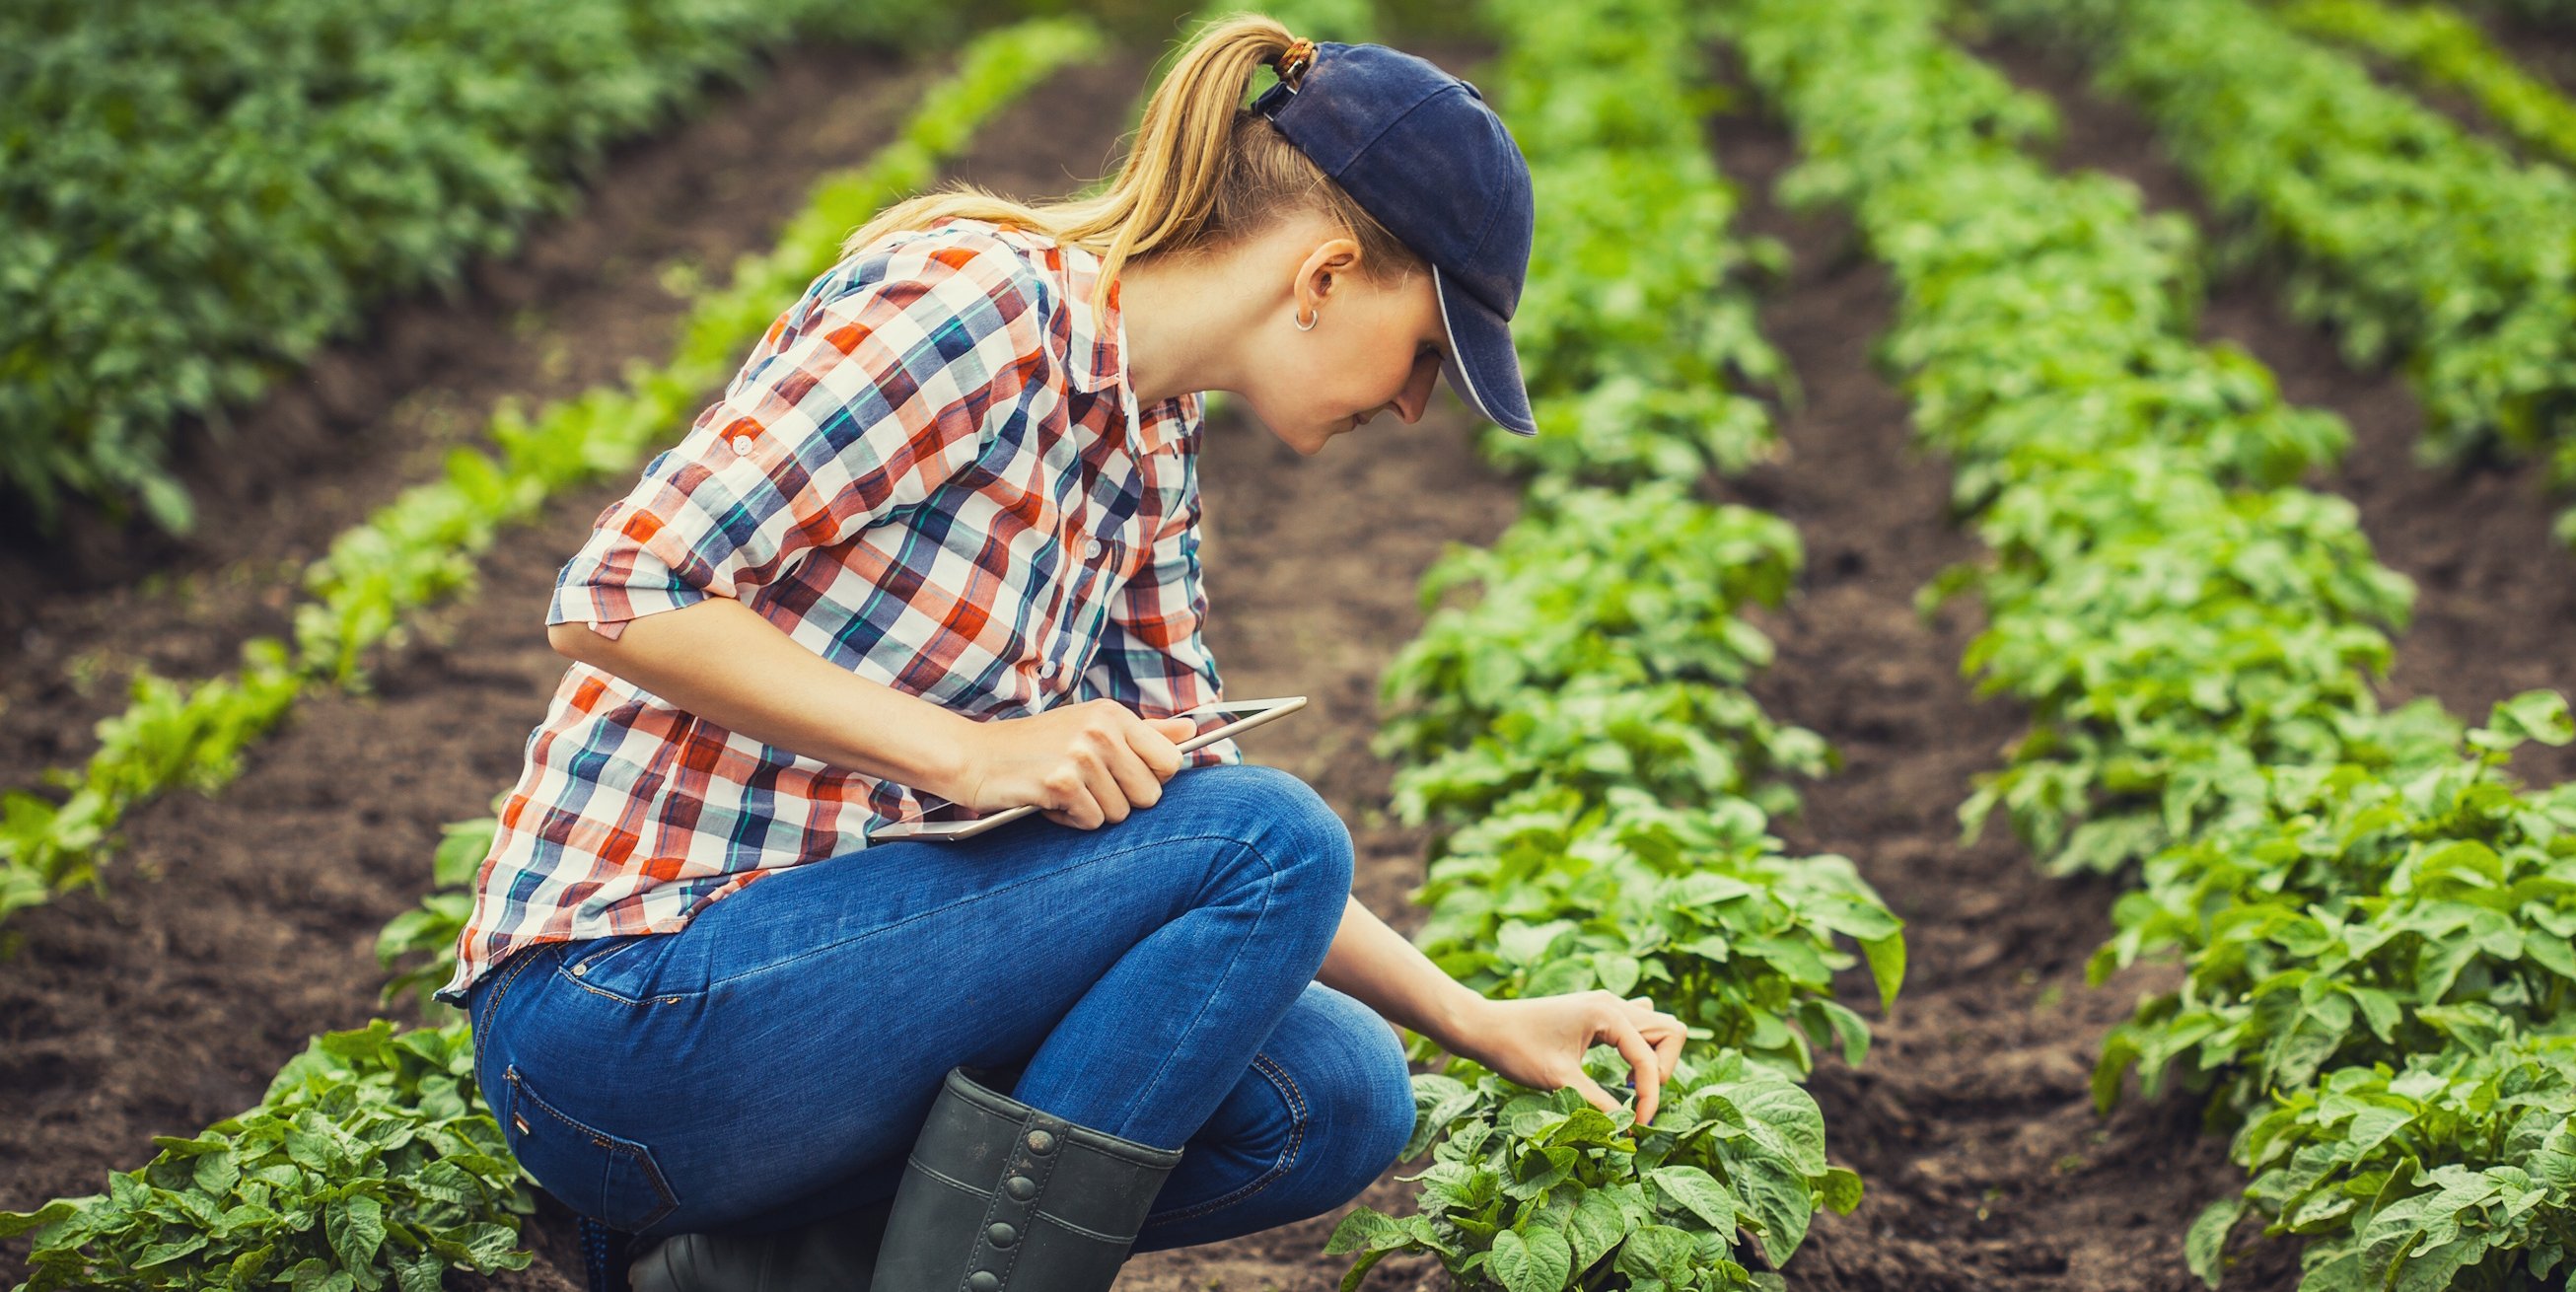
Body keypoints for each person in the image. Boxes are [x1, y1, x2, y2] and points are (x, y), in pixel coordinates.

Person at [432, 17, 1689, 1292]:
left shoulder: (1151, 440)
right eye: (1426, 351)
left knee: (1340, 1090)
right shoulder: (970, 308)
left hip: (823, 1010)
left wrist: (1476, 1019)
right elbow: (615, 593)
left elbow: (1202, 822)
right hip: (622, 1010)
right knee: (1277, 836)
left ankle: (730, 1269)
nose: (1416, 404)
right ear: (1323, 275)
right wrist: (971, 756)